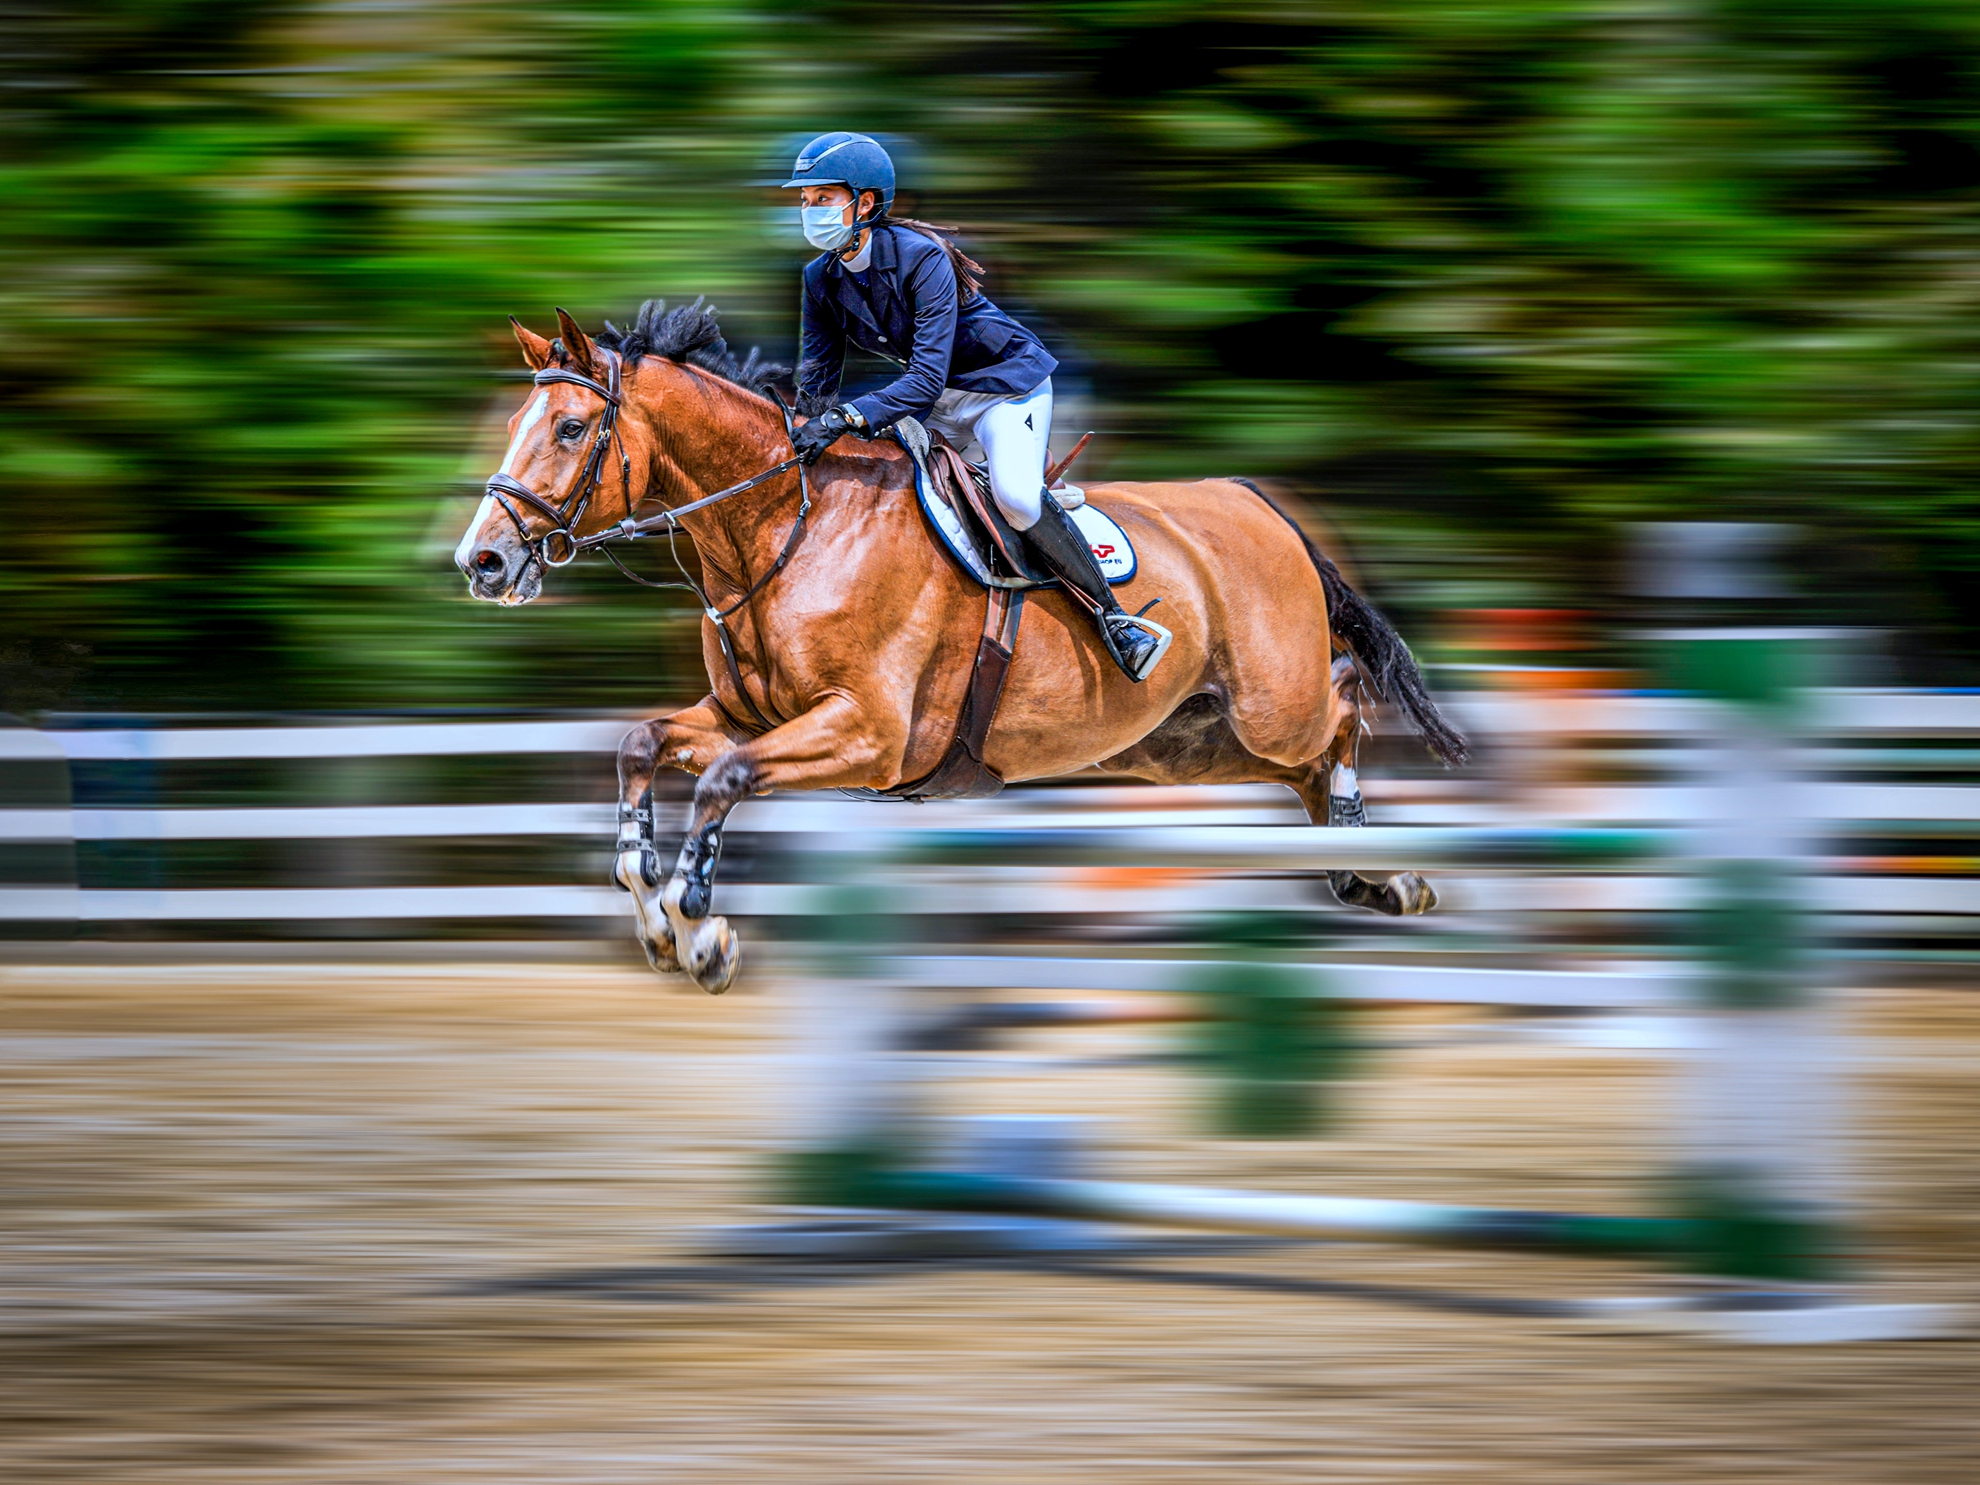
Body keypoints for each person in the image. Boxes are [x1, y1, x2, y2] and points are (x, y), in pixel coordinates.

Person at [782, 132, 1170, 683]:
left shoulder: (922, 257)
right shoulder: (819, 279)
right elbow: (818, 382)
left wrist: (846, 418)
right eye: (805, 200)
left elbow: (921, 381)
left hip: (1003, 388)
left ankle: (1115, 619)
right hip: (940, 402)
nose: (809, 211)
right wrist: (801, 433)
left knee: (1015, 498)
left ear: (865, 203)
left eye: (823, 198)